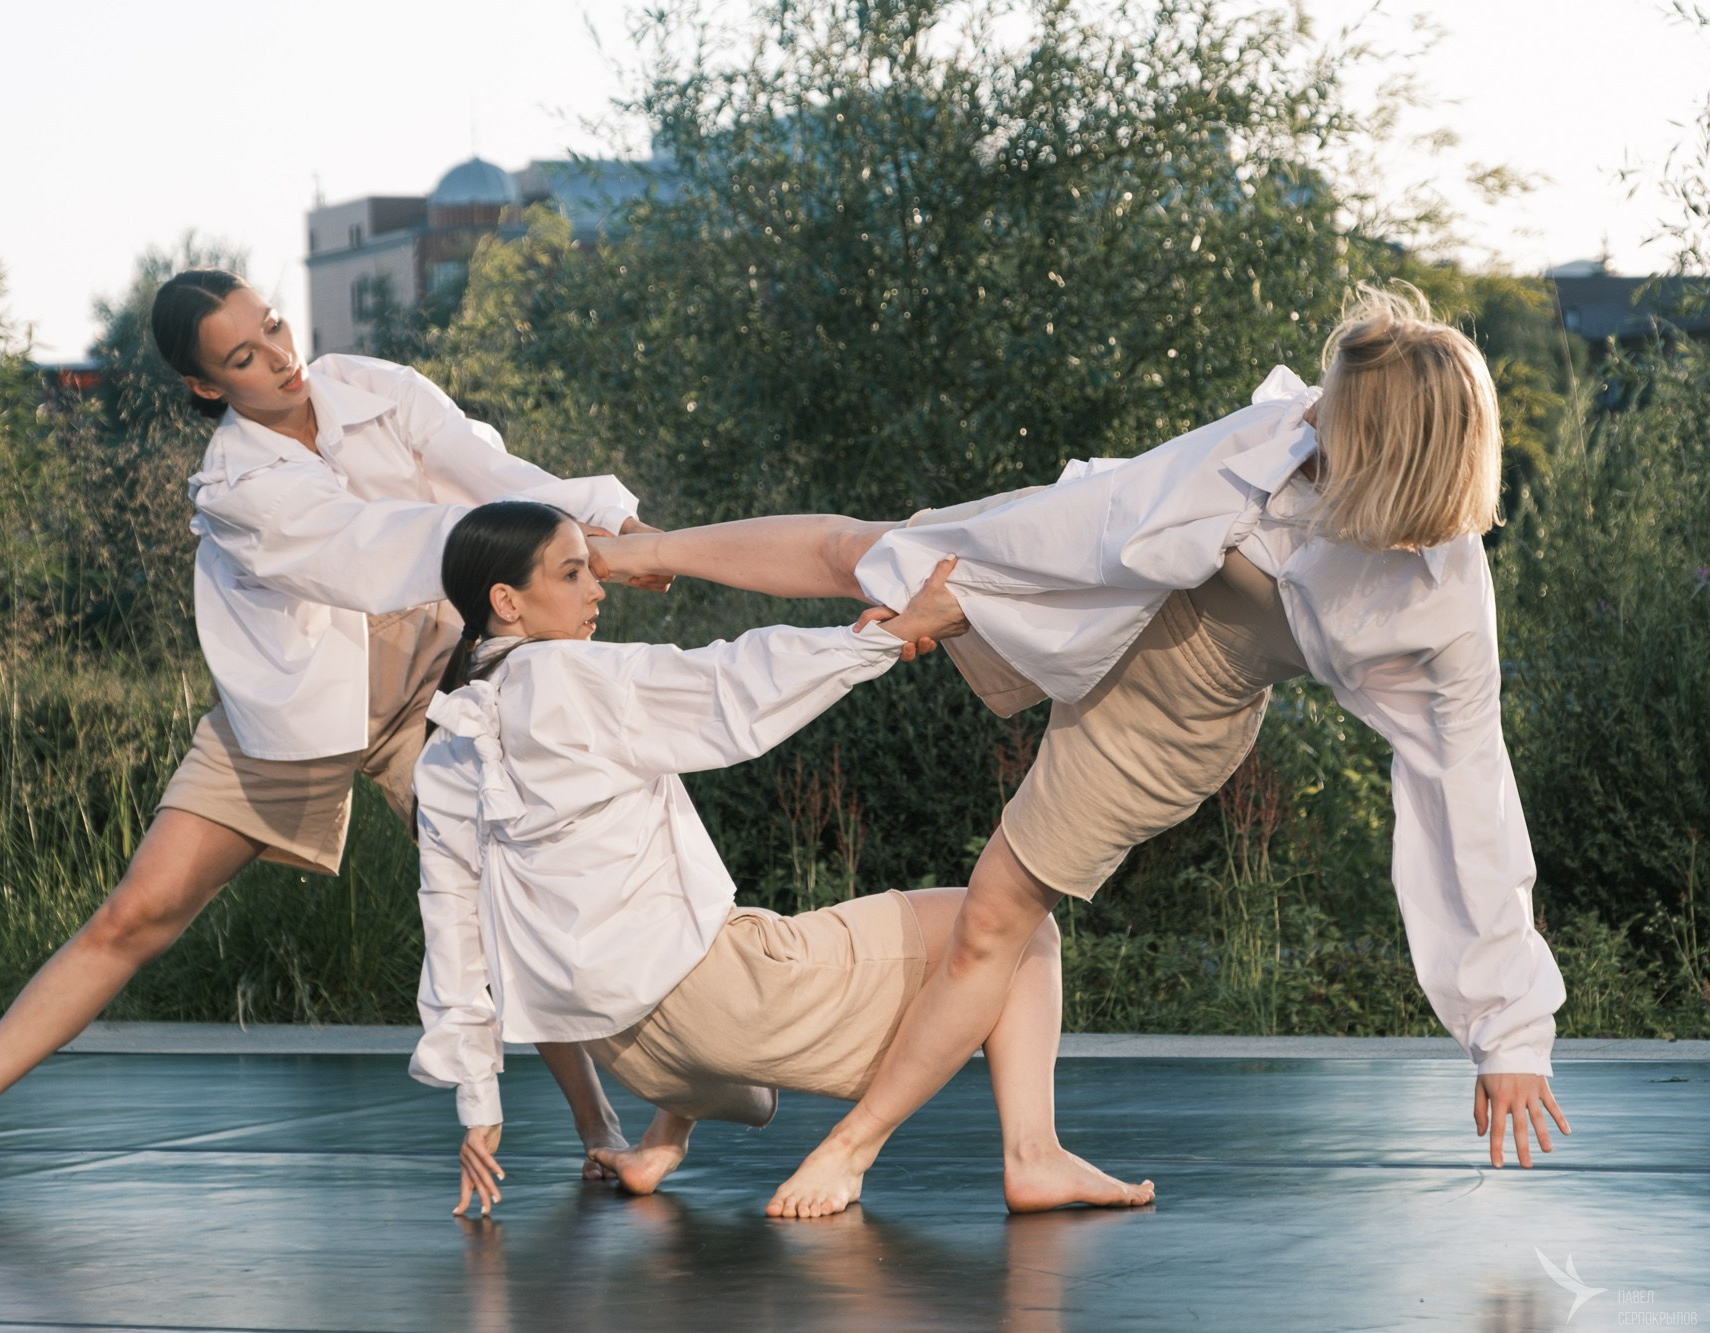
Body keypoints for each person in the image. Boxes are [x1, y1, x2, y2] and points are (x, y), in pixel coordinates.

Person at [590, 285, 1571, 1216]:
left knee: (994, 918)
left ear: (1390, 457)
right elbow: (1094, 529)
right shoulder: (1277, 433)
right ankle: (649, 550)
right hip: (1097, 590)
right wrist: (955, 583)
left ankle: (861, 1147)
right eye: (1318, 400)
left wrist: (1507, 1029)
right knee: (870, 550)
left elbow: (1467, 796)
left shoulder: (1437, 603)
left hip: (1170, 718)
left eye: (1335, 420)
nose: (1307, 420)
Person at [0, 271, 652, 1197]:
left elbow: (493, 476)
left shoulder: (372, 386)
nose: (277, 358)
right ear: (206, 387)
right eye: (242, 358)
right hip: (298, 703)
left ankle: (603, 1126)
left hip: (436, 676)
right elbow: (378, 543)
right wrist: (563, 541)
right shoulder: (236, 485)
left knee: (512, 890)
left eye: (272, 328)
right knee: (136, 913)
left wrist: (615, 525)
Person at [410, 500, 1156, 1218]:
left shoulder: (444, 752)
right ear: (507, 600)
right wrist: (891, 633)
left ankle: (660, 1140)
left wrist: (479, 1105)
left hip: (635, 1056)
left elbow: (456, 934)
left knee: (697, 930)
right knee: (1022, 930)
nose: (596, 588)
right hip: (720, 1009)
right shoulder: (569, 678)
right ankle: (1022, 1153)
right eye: (573, 573)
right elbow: (730, 683)